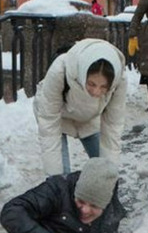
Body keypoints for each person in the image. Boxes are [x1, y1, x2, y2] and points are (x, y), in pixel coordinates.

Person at [34, 38, 126, 176]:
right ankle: (60, 193)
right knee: (61, 175)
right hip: (58, 117)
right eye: (91, 84)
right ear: (83, 74)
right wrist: (57, 181)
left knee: (104, 170)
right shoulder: (60, 69)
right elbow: (49, 125)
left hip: (89, 118)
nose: (96, 92)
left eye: (103, 87)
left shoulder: (119, 81)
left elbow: (112, 127)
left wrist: (109, 179)